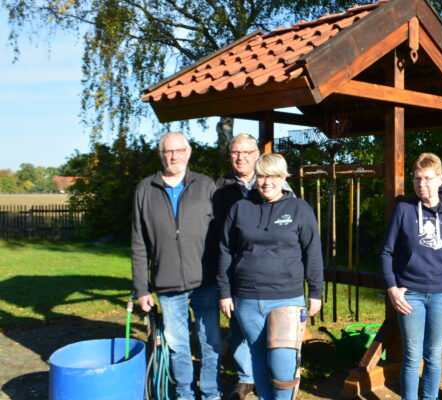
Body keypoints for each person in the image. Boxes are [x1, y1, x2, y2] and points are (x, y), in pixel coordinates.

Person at [218, 153, 323, 400]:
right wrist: (224, 292)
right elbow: (224, 250)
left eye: (274, 176)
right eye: (262, 176)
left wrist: (316, 292)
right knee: (257, 356)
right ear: (255, 177)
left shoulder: (299, 209)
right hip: (247, 299)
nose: (267, 182)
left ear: (284, 177)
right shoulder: (241, 208)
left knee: (283, 361)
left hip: (287, 298)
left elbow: (313, 252)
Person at [131, 131, 223, 400]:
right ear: (161, 155)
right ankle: (184, 393)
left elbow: (220, 237)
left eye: (179, 150)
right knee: (177, 345)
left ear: (189, 152)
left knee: (211, 342)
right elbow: (138, 243)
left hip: (206, 281)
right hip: (168, 285)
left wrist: (223, 279)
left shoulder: (205, 185)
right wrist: (141, 288)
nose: (174, 156)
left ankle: (211, 393)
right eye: (168, 151)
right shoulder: (145, 189)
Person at [380, 152, 442, 400]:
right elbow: (386, 252)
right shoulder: (404, 210)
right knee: (412, 355)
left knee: (433, 355)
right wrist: (392, 288)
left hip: (441, 293)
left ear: (440, 179)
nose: (422, 184)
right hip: (411, 295)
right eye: (418, 179)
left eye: (428, 179)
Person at [210, 133, 261, 400]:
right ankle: (246, 378)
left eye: (246, 152)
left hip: (264, 269)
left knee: (264, 326)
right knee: (238, 327)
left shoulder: (269, 183)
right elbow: (215, 232)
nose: (240, 157)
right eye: (235, 153)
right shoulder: (220, 188)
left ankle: (269, 374)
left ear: (256, 155)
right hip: (232, 267)